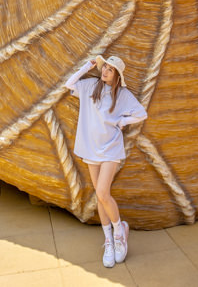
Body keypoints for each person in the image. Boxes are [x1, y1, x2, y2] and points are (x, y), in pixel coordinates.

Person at [65, 54, 147, 268]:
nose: (105, 71)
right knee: (101, 197)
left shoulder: (123, 95)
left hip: (111, 147)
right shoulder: (91, 86)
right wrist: (86, 67)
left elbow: (141, 114)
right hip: (91, 148)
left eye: (110, 70)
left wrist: (123, 121)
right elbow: (69, 84)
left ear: (117, 75)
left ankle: (119, 231)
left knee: (102, 192)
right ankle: (109, 241)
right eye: (105, 68)